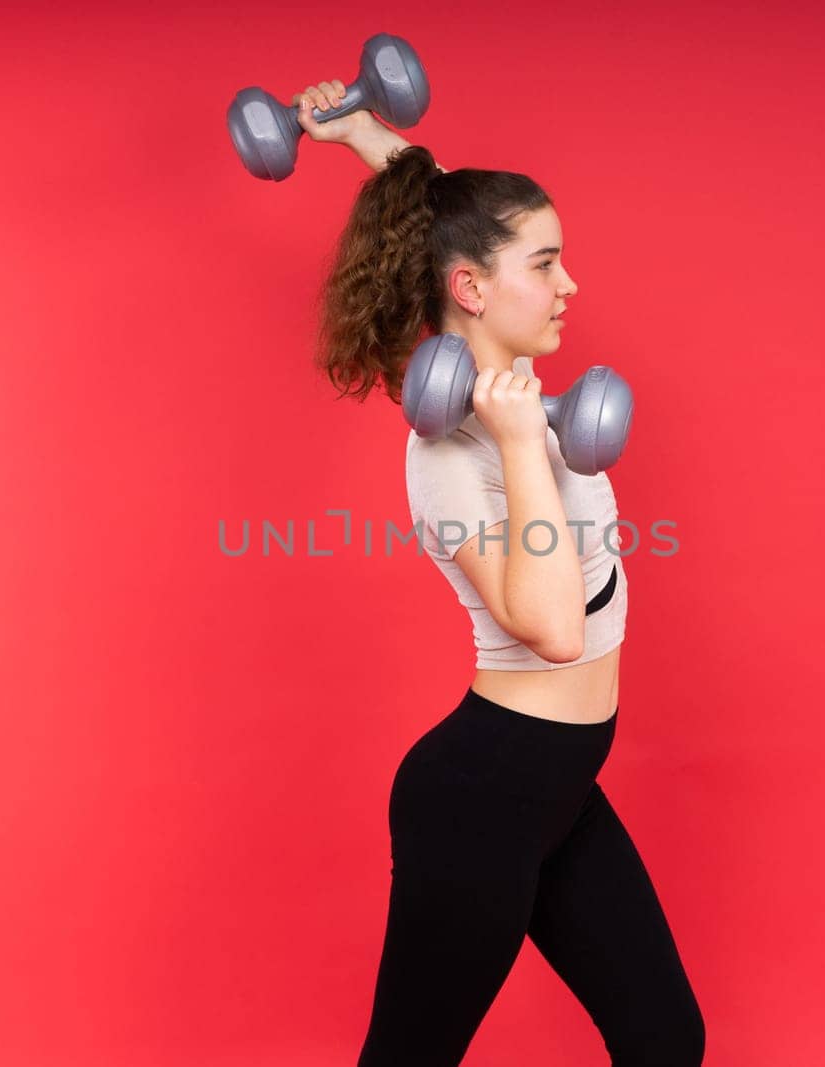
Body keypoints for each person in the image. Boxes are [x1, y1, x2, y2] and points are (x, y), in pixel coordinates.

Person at [292, 79, 706, 1066]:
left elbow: (434, 202)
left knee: (662, 1036)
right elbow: (554, 630)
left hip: (556, 778)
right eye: (547, 262)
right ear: (473, 288)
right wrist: (524, 446)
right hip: (485, 789)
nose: (570, 285)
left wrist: (357, 130)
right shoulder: (451, 452)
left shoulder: (519, 391)